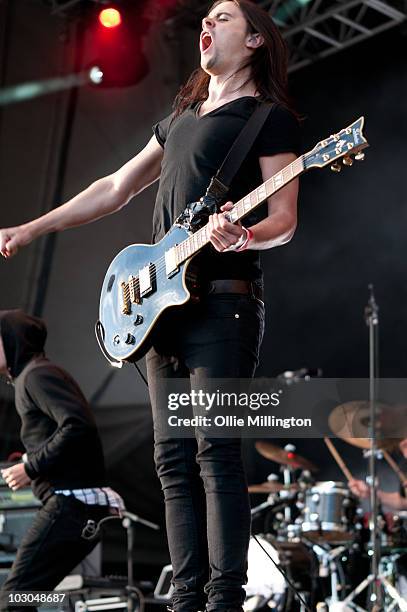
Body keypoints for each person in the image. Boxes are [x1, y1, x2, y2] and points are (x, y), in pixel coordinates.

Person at [0, 2, 300, 611]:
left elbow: (285, 219)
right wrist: (32, 228)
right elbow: (113, 189)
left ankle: (223, 599)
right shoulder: (182, 117)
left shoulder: (269, 119)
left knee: (215, 451)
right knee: (171, 461)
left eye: (221, 18)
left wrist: (245, 236)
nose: (206, 28)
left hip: (223, 305)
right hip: (161, 310)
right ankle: (186, 597)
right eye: (204, 20)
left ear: (258, 40)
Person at [0, 310, 123, 611]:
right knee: (24, 598)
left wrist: (31, 466)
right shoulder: (33, 375)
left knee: (13, 600)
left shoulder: (37, 375)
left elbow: (78, 425)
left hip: (72, 507)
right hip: (74, 507)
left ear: (12, 339)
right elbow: (65, 429)